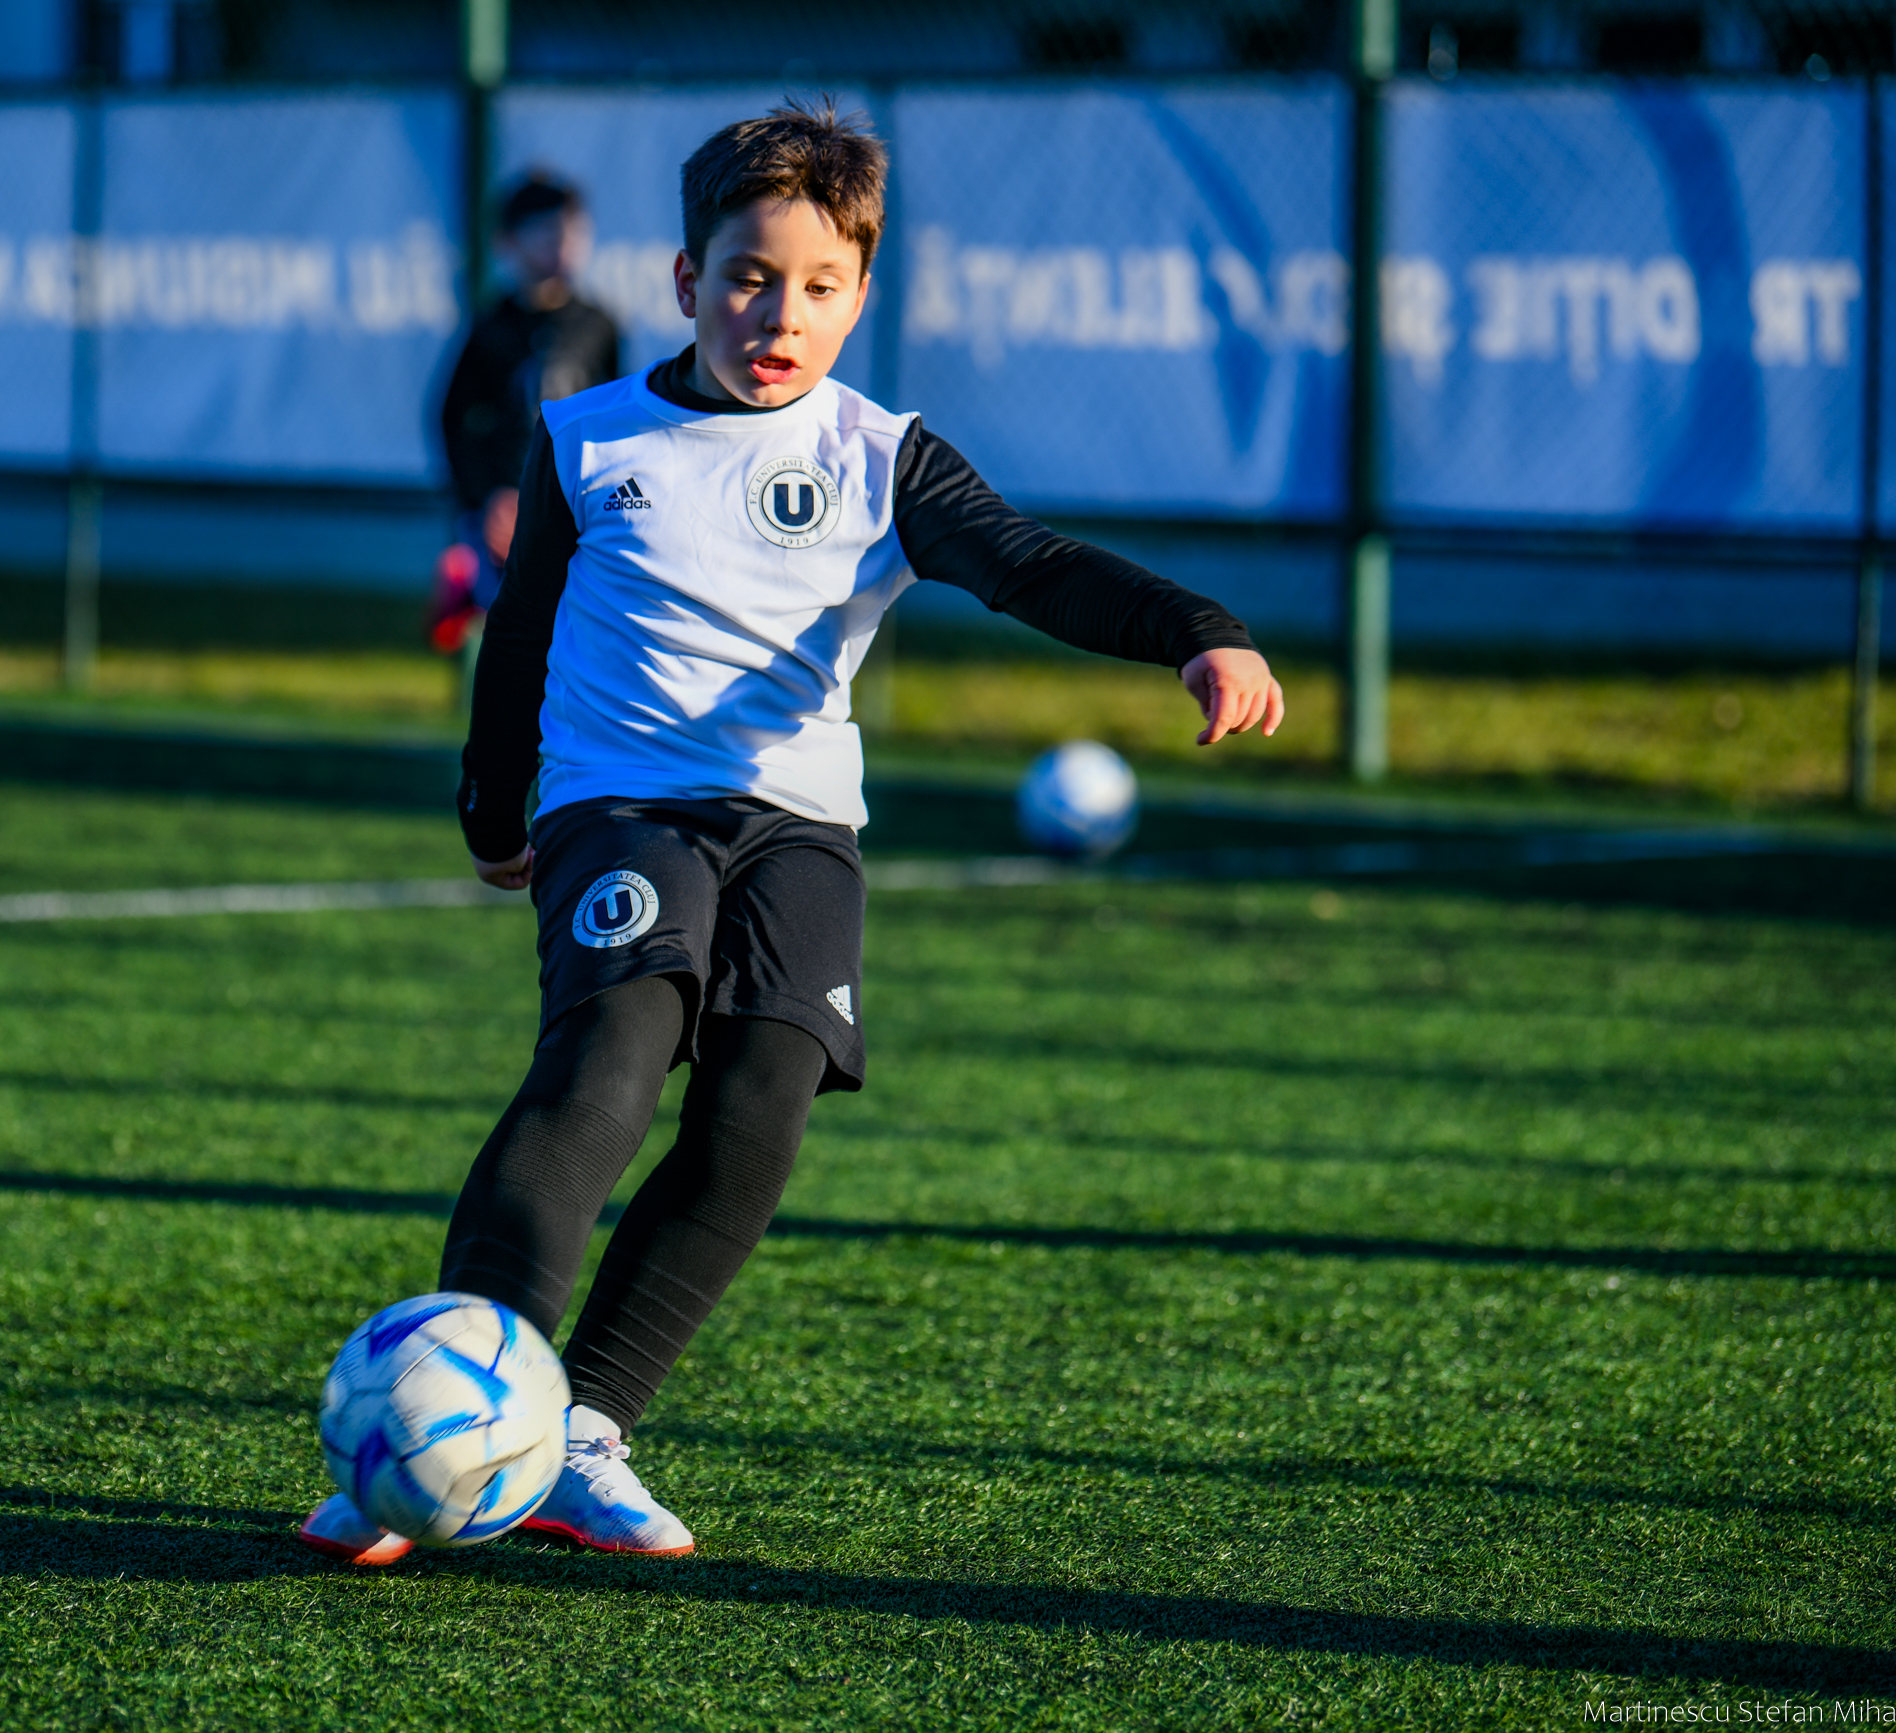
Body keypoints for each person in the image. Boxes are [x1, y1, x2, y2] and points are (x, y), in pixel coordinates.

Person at [304, 99, 1284, 1567]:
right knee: (608, 1062)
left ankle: (580, 1438)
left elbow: (1032, 567)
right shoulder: (589, 439)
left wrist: (1199, 633)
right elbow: (519, 640)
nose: (783, 311)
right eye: (752, 276)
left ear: (863, 295)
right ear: (688, 278)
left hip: (801, 826)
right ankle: (425, 1436)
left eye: (822, 285)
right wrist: (491, 805)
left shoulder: (883, 456)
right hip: (621, 803)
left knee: (761, 1107)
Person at [429, 175, 623, 662]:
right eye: (546, 230)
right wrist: (487, 497)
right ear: (509, 241)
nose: (563, 242)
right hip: (503, 512)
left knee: (573, 628)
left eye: (573, 230)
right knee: (505, 633)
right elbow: (452, 419)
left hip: (576, 504)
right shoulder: (492, 328)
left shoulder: (599, 326)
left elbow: (617, 421)